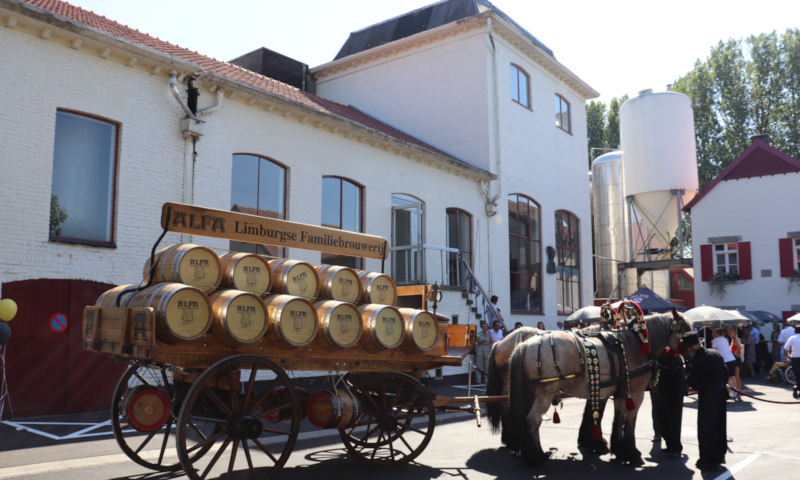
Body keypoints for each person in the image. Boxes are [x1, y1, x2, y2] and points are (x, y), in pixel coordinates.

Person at [683, 331, 729, 471]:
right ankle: (719, 456)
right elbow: (726, 372)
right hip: (721, 393)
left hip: (709, 397)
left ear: (691, 348)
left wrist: (688, 377)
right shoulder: (714, 353)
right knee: (719, 427)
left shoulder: (699, 360)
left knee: (707, 429)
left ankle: (709, 461)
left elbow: (697, 384)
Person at [651, 350, 687, 457]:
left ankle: (676, 447)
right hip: (665, 391)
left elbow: (667, 374)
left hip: (673, 392)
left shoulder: (670, 355)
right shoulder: (664, 354)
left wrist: (658, 385)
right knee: (663, 419)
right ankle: (670, 445)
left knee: (673, 421)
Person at [710, 328, 737, 399]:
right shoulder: (725, 339)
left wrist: (712, 343)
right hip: (732, 359)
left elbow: (713, 351)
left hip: (725, 361)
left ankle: (735, 389)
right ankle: (735, 392)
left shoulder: (715, 340)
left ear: (718, 334)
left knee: (725, 377)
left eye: (714, 333)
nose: (713, 334)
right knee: (732, 376)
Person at [727, 326, 743, 395]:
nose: (729, 333)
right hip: (734, 358)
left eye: (731, 331)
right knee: (733, 377)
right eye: (728, 331)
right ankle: (735, 391)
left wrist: (735, 352)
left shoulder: (735, 339)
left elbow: (739, 346)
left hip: (735, 359)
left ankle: (738, 392)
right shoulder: (734, 338)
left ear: (734, 332)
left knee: (736, 377)